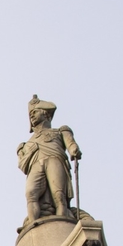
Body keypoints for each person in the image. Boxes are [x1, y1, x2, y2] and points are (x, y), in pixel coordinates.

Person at [18, 95, 81, 225]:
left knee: (58, 195)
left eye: (35, 112)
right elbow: (22, 165)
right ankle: (33, 223)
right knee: (31, 193)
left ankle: (62, 222)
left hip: (54, 160)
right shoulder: (25, 144)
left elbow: (71, 144)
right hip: (35, 165)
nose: (32, 116)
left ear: (45, 113)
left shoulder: (60, 131)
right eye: (30, 114)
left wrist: (73, 149)